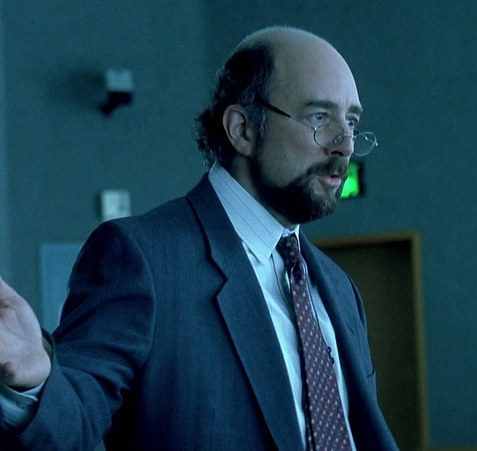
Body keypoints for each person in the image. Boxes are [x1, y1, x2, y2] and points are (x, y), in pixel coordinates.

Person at [0, 26, 398, 450]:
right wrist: (33, 385)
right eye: (319, 117)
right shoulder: (142, 260)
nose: (345, 145)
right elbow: (75, 421)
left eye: (351, 122)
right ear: (242, 129)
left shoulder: (340, 289)